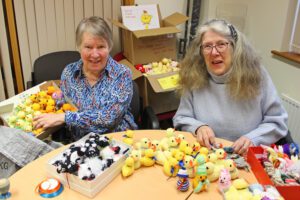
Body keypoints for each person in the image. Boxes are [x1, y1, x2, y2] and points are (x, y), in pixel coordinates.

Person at [173, 19, 288, 155]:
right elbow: (181, 117)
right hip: (205, 155)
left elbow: (277, 121)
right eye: (207, 46)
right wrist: (198, 127)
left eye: (221, 44)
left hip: (248, 155)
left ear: (235, 48)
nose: (214, 52)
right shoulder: (194, 75)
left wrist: (253, 139)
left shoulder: (257, 75)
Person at [33, 16, 137, 141]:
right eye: (88, 47)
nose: (95, 54)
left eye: (101, 47)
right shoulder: (69, 73)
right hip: (77, 146)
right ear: (79, 47)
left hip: (116, 143)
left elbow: (109, 118)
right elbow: (63, 107)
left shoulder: (122, 74)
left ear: (109, 46)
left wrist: (65, 117)